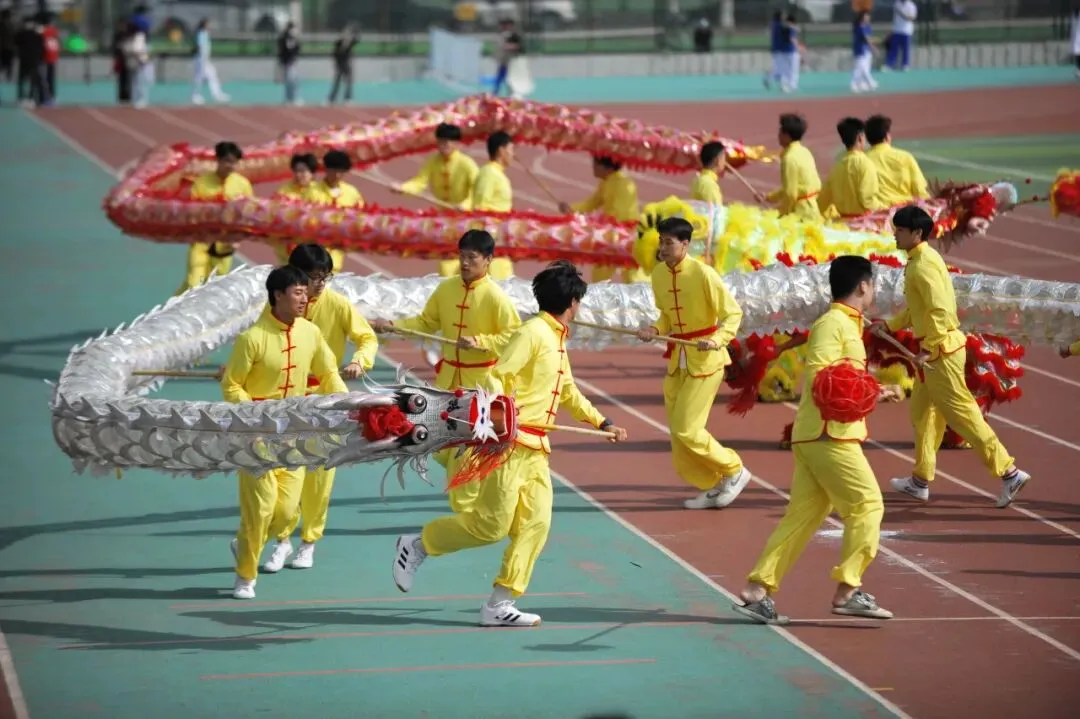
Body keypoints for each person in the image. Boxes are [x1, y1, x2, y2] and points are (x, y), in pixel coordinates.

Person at [391, 260, 628, 627]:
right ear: (572, 303)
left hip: (537, 452)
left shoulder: (557, 340)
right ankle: (419, 544)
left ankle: (500, 603)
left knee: (536, 525)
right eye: (579, 302)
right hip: (511, 447)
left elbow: (567, 391)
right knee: (490, 527)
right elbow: (498, 376)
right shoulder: (532, 333)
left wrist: (602, 422)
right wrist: (502, 421)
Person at [733, 255, 899, 625]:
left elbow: (842, 377)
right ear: (863, 286)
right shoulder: (832, 324)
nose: (874, 291)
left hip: (819, 434)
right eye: (873, 284)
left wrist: (874, 389)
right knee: (868, 504)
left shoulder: (847, 324)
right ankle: (848, 590)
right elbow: (824, 377)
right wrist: (869, 389)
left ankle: (757, 589)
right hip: (829, 434)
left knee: (804, 515)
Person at [875, 206, 1031, 508]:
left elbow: (940, 310)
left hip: (941, 353)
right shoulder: (920, 260)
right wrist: (890, 325)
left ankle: (1009, 472)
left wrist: (929, 348)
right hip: (937, 351)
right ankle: (920, 480)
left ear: (916, 233)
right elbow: (918, 308)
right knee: (922, 413)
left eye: (900, 230)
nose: (895, 234)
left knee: (963, 416)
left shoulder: (923, 266)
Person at [370, 229, 522, 512]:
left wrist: (481, 342)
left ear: (488, 260)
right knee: (440, 446)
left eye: (472, 257)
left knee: (466, 450)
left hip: (481, 387)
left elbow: (513, 336)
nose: (464, 263)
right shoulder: (446, 289)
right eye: (462, 256)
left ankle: (466, 513)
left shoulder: (495, 297)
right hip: (448, 382)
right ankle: (479, 501)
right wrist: (394, 325)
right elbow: (426, 322)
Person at [221, 265, 348, 600]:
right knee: (260, 510)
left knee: (286, 514)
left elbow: (328, 373)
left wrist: (348, 404)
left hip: (294, 439)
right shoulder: (251, 339)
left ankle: (246, 542)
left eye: (306, 292)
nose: (305, 299)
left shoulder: (311, 333)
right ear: (277, 295)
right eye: (298, 292)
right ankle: (245, 577)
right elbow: (232, 385)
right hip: (256, 440)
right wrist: (254, 414)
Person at [261, 244, 378, 572]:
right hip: (286, 398)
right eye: (314, 277)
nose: (320, 284)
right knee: (283, 471)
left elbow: (367, 338)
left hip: (326, 400)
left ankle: (309, 542)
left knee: (320, 476)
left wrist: (359, 361)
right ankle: (281, 540)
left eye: (325, 277)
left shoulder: (337, 304)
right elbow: (261, 339)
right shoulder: (279, 308)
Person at [636, 217, 751, 510]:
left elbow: (733, 314)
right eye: (661, 241)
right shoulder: (658, 274)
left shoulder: (704, 274)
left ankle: (734, 468)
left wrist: (717, 339)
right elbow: (666, 316)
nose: (662, 247)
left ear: (685, 245)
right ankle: (716, 481)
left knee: (688, 429)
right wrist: (654, 329)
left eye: (669, 242)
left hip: (707, 360)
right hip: (679, 359)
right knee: (678, 434)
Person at [393, 123, 480, 277]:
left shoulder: (467, 164)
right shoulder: (432, 162)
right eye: (441, 141)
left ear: (457, 143)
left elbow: (477, 189)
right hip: (443, 218)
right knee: (446, 262)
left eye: (449, 141)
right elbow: (420, 181)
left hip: (465, 217)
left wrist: (465, 205)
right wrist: (403, 187)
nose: (444, 145)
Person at [175, 141, 253, 295]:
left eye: (234, 162)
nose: (230, 166)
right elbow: (192, 213)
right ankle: (177, 306)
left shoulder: (242, 185)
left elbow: (249, 213)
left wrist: (238, 237)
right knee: (193, 284)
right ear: (218, 160)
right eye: (227, 161)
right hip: (201, 241)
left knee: (216, 287)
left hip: (225, 244)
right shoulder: (201, 183)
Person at [557, 155, 643, 283]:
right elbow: (593, 202)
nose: (593, 168)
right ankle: (599, 291)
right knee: (601, 268)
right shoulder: (606, 182)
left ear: (607, 167)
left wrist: (593, 223)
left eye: (596, 165)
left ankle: (643, 293)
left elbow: (620, 214)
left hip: (625, 233)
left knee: (631, 273)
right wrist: (572, 209)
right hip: (611, 232)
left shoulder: (623, 184)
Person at [307, 149, 364, 272]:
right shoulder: (312, 191)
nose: (337, 175)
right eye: (334, 171)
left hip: (336, 256)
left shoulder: (351, 192)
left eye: (341, 172)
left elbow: (360, 218)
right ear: (326, 169)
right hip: (312, 253)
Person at [471, 131, 516, 280]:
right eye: (511, 149)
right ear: (501, 151)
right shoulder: (489, 173)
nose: (513, 154)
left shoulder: (498, 174)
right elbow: (480, 208)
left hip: (500, 242)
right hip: (491, 243)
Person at [817, 117, 881, 219]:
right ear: (860, 138)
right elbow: (867, 200)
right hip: (863, 222)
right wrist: (883, 208)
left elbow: (823, 201)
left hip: (842, 223)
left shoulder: (837, 166)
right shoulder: (866, 164)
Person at [864, 115, 929, 207]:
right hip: (905, 211)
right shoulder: (905, 157)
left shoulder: (863, 160)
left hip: (878, 212)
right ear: (887, 136)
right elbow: (920, 191)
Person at [766, 113, 822, 220]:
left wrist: (782, 213)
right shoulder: (805, 151)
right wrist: (769, 197)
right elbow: (794, 187)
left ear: (787, 136)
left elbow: (790, 193)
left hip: (800, 213)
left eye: (781, 132)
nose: (778, 135)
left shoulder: (789, 158)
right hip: (813, 208)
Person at [272, 153, 320, 264]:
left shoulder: (318, 192)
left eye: (303, 171)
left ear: (312, 173)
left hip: (311, 251)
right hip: (286, 252)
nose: (299, 175)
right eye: (296, 171)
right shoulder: (283, 191)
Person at [191, 18, 229, 105]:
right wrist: (203, 59)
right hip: (201, 59)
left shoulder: (205, 33)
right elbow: (201, 47)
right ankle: (195, 96)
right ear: (204, 25)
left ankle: (217, 95)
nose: (209, 26)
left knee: (212, 74)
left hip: (204, 59)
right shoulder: (201, 34)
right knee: (199, 77)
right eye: (208, 24)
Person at [491, 18, 521, 97]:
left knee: (505, 76)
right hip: (504, 60)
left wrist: (511, 47)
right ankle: (498, 92)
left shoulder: (511, 35)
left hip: (508, 60)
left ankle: (501, 92)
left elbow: (516, 46)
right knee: (503, 76)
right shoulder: (504, 35)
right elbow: (501, 46)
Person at [885, 0, 918, 71]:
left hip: (907, 31)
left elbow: (912, 18)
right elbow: (895, 18)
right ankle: (889, 65)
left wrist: (902, 14)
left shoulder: (911, 5)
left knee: (906, 49)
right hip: (897, 30)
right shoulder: (897, 3)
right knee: (894, 49)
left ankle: (905, 65)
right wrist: (892, 29)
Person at [851, 11, 878, 94]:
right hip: (860, 50)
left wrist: (873, 46)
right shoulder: (859, 27)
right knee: (862, 68)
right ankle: (870, 82)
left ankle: (860, 84)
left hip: (867, 50)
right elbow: (866, 39)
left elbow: (869, 38)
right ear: (862, 18)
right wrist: (874, 45)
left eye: (868, 17)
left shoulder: (868, 27)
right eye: (866, 17)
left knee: (862, 69)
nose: (868, 18)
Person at [328, 25, 356, 105]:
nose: (347, 35)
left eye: (348, 33)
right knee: (337, 82)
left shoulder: (350, 43)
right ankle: (332, 98)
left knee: (349, 82)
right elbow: (335, 52)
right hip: (339, 64)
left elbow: (356, 40)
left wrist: (349, 40)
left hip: (347, 64)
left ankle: (348, 98)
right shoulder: (338, 42)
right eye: (345, 33)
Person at [277, 21, 301, 106]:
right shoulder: (284, 38)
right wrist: (282, 61)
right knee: (289, 81)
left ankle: (294, 98)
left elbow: (297, 49)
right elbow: (283, 50)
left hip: (293, 62)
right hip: (287, 62)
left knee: (294, 81)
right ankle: (289, 99)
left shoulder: (294, 38)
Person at [40, 12, 58, 105]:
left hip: (48, 58)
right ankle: (49, 97)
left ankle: (48, 97)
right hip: (48, 58)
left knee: (47, 79)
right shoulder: (50, 31)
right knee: (48, 79)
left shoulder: (45, 31)